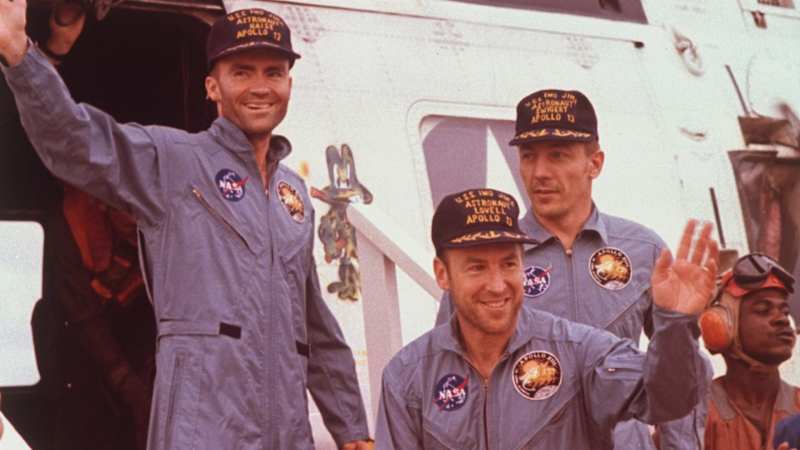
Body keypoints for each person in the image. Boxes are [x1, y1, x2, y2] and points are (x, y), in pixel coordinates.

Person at [0, 3, 370, 449]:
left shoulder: (293, 198)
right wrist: (20, 54)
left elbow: (313, 325)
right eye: (242, 72)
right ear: (212, 86)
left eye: (273, 72)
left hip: (288, 436)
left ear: (289, 84)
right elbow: (76, 140)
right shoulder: (174, 162)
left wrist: (352, 429)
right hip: (203, 434)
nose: (260, 87)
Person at [435, 88, 706, 449]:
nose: (539, 173)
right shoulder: (487, 259)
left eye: (558, 155)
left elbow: (679, 368)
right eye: (528, 157)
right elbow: (448, 372)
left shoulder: (643, 250)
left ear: (595, 163)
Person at [377, 187, 717, 449]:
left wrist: (674, 324)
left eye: (509, 264)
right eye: (477, 267)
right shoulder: (408, 376)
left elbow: (667, 398)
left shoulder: (580, 352)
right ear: (443, 274)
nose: (497, 285)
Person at [699, 252, 800, 450]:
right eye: (763, 309)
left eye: (785, 311)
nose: (781, 319)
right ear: (722, 326)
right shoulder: (694, 414)